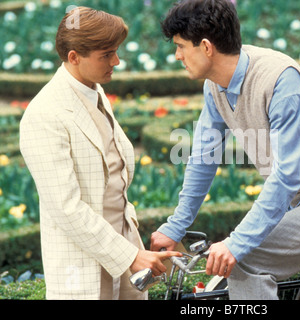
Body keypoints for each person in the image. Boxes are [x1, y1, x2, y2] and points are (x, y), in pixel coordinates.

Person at [150, 0, 300, 300]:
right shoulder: (215, 85)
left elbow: (286, 176)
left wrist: (236, 244)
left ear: (206, 47)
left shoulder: (279, 78)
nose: (177, 55)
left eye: (180, 46)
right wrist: (176, 226)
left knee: (244, 260)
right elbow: (204, 157)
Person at [19, 6, 181, 300]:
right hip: (82, 269)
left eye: (116, 51)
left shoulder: (93, 90)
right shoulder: (43, 115)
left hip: (125, 260)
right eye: (107, 54)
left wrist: (134, 249)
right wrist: (130, 255)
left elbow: (114, 181)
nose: (116, 61)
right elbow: (67, 209)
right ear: (74, 57)